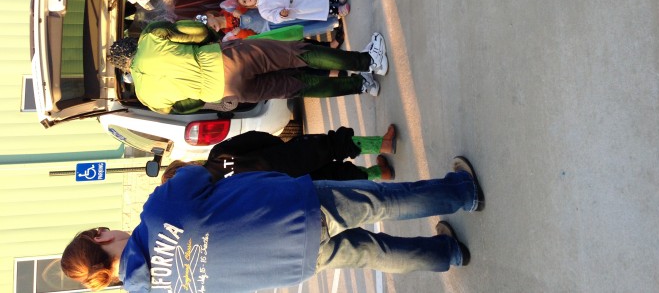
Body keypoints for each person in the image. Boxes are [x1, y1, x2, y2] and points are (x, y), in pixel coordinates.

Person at [61, 156, 485, 292]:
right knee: (379, 201)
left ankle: (446, 253)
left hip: (289, 262)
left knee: (371, 253)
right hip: (293, 210)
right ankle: (461, 192)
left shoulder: (160, 290)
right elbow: (197, 173)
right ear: (100, 236)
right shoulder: (157, 213)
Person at [107, 20, 389, 114]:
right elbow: (197, 32)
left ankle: (362, 85)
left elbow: (187, 106)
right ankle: (368, 61)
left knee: (299, 86)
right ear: (131, 43)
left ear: (125, 69)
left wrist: (204, 92)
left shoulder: (146, 97)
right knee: (298, 55)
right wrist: (211, 41)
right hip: (227, 59)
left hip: (229, 92)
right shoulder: (150, 37)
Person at [163, 124, 398, 182]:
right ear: (189, 165)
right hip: (284, 159)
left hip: (285, 184)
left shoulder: (215, 193)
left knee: (333, 176)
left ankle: (379, 173)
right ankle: (382, 144)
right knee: (332, 145)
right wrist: (278, 145)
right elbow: (254, 138)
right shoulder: (218, 155)